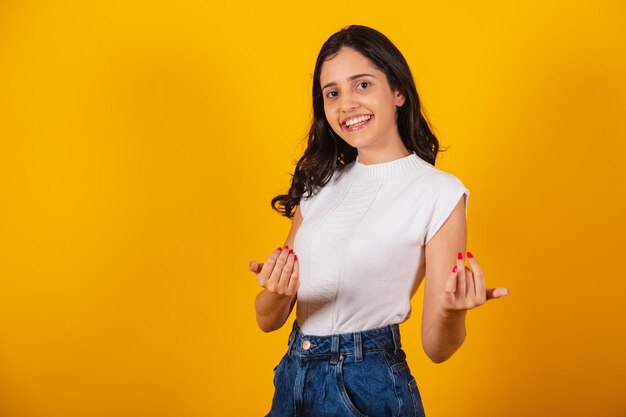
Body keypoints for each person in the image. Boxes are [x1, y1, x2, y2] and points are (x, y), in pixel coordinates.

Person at [248, 24, 510, 417]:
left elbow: (437, 349)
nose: (346, 104)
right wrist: (277, 290)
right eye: (332, 93)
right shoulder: (319, 185)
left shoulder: (438, 193)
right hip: (292, 380)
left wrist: (454, 312)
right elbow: (267, 320)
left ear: (399, 92)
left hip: (365, 387)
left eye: (363, 85)